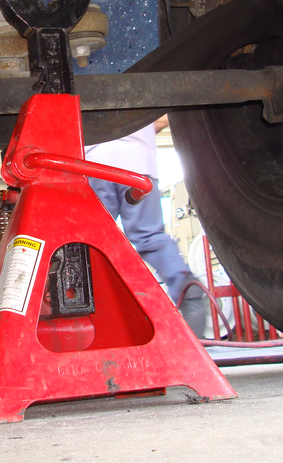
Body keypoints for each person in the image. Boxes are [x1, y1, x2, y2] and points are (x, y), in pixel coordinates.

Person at [85, 116, 209, 337]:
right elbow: (161, 121)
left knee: (93, 240)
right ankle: (183, 282)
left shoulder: (87, 86)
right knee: (149, 235)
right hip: (140, 169)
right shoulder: (138, 92)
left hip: (98, 167)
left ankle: (92, 308)